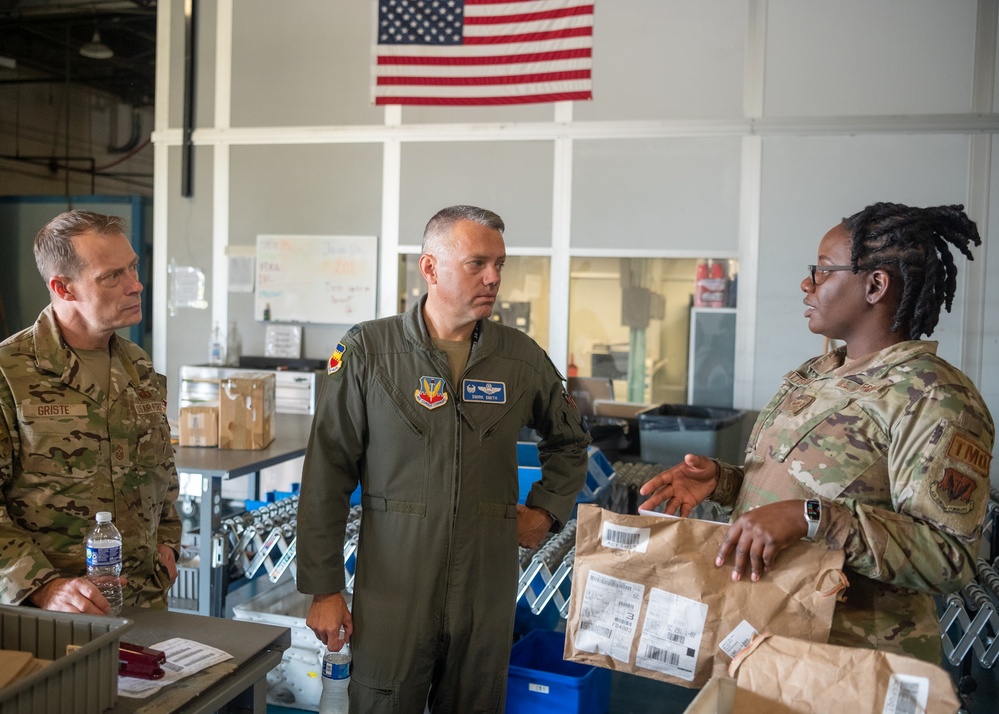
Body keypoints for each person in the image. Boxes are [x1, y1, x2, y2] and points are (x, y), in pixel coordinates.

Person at [639, 202, 994, 663]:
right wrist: (725, 482)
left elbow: (950, 559)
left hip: (854, 660)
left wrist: (813, 517)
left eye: (823, 271)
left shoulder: (934, 397)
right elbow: (801, 485)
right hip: (767, 635)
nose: (807, 284)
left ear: (875, 285)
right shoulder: (818, 373)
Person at [297, 205, 591, 712]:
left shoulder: (519, 359)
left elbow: (569, 441)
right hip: (394, 588)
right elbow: (327, 471)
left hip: (485, 588)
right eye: (477, 263)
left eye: (500, 264)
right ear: (430, 268)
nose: (494, 277)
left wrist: (545, 511)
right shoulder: (369, 351)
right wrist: (323, 589)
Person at [0, 210, 181, 614]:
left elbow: (162, 470)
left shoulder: (138, 365)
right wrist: (43, 587)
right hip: (51, 615)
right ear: (63, 288)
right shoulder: (9, 374)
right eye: (112, 276)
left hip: (144, 604)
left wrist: (169, 541)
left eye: (132, 268)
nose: (136, 286)